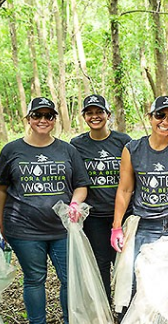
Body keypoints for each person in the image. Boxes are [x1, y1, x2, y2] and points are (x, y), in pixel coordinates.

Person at [0, 97, 90, 324]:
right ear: (28, 119)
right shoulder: (11, 150)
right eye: (37, 115)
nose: (43, 120)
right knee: (35, 278)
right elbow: (1, 190)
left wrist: (74, 204)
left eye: (49, 116)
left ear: (55, 120)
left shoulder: (67, 150)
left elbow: (81, 185)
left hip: (62, 229)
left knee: (69, 279)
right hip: (24, 229)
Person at [111, 95, 168, 300]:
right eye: (160, 115)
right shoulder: (133, 149)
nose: (165, 121)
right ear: (150, 117)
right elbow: (125, 190)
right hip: (146, 223)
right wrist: (116, 227)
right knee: (139, 277)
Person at [70, 94, 132, 304]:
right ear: (84, 117)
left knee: (124, 263)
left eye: (99, 112)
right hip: (95, 215)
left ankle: (124, 308)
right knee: (101, 264)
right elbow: (75, 179)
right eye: (90, 113)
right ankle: (104, 307)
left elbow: (132, 177)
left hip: (123, 213)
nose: (95, 116)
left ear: (108, 115)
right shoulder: (77, 144)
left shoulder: (123, 141)